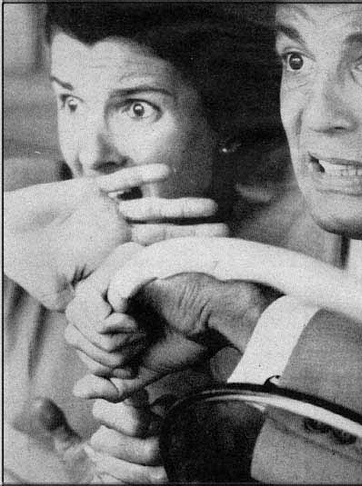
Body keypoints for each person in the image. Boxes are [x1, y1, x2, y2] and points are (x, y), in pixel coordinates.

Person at [65, 2, 362, 483]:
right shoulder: (269, 230)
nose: (317, 116)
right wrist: (205, 447)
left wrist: (256, 318)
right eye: (297, 60)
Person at [3, 3, 283, 483]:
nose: (91, 155)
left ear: (226, 123)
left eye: (137, 108)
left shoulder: (294, 255)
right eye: (71, 102)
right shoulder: (26, 204)